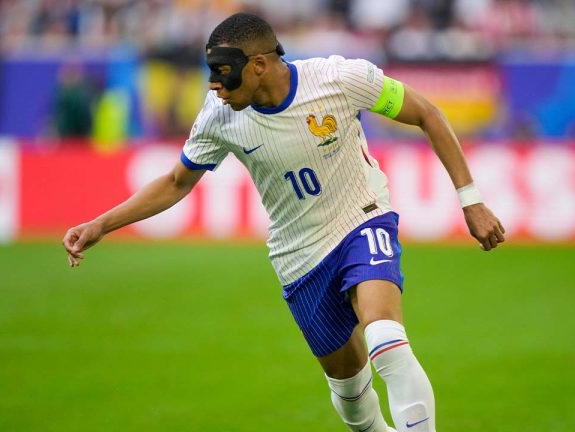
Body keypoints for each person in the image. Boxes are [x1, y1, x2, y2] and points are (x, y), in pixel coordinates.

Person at [62, 12, 505, 432]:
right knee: (351, 396)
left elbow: (427, 112)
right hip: (299, 256)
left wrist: (471, 200)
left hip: (362, 218)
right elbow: (177, 182)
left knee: (386, 339)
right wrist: (101, 224)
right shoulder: (219, 117)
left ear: (258, 65)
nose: (215, 84)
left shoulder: (337, 78)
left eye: (223, 71)